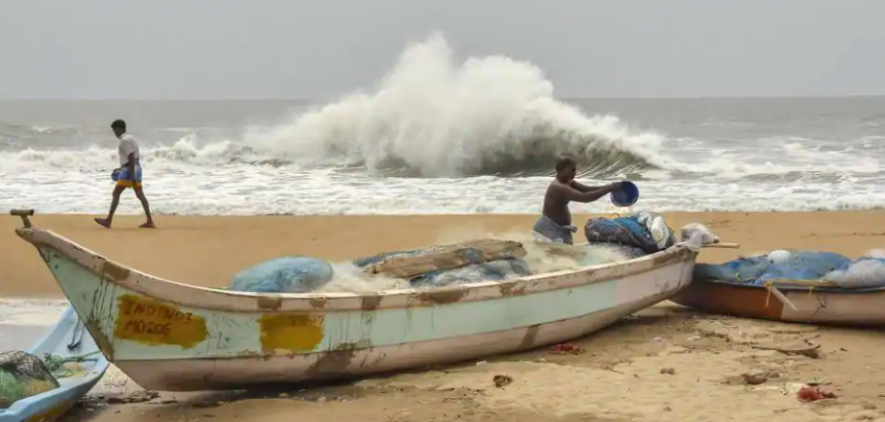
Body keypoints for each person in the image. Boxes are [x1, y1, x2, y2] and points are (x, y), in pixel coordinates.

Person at [532, 156, 624, 244]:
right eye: (572, 169)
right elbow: (585, 197)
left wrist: (610, 187)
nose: (575, 172)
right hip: (548, 232)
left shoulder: (568, 183)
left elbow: (587, 190)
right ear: (562, 169)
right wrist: (609, 189)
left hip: (557, 230)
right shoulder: (559, 188)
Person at [94, 119, 156, 229]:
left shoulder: (124, 141)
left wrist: (130, 175)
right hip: (136, 167)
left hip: (130, 169)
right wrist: (122, 168)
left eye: (115, 130)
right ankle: (149, 221)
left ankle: (108, 220)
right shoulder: (130, 138)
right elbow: (132, 158)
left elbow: (131, 157)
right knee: (140, 195)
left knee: (116, 193)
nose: (115, 133)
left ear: (120, 128)